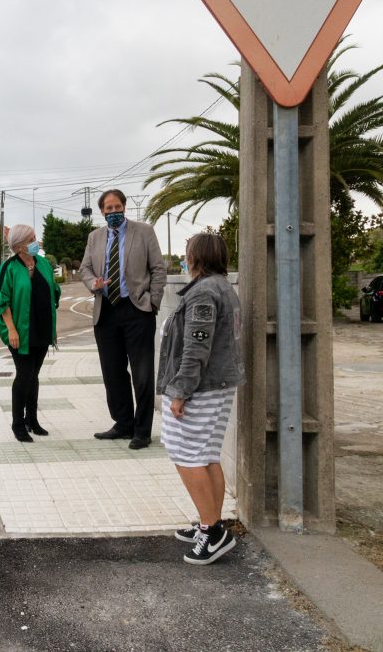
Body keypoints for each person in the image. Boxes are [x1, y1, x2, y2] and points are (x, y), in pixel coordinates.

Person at [157, 233, 245, 565]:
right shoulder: (221, 287)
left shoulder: (205, 292)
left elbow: (196, 347)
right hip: (214, 385)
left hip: (201, 387)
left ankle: (213, 532)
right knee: (206, 455)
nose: (185, 257)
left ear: (197, 257)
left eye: (187, 252)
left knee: (186, 455)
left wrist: (180, 391)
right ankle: (212, 523)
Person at [80, 188, 166, 450]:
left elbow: (158, 269)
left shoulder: (144, 232)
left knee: (141, 374)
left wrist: (152, 302)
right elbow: (85, 268)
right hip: (105, 311)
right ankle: (123, 423)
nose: (113, 212)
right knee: (113, 372)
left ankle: (142, 430)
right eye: (108, 208)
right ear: (102, 211)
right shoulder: (95, 237)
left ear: (125, 207)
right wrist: (92, 282)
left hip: (137, 310)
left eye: (117, 207)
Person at [0, 224, 61, 443]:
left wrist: (52, 327)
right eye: (32, 238)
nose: (37, 241)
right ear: (19, 246)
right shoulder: (9, 268)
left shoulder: (43, 264)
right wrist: (11, 330)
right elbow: (0, 298)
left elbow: (52, 293)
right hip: (20, 332)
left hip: (42, 330)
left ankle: (32, 420)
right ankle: (18, 424)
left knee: (34, 376)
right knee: (24, 375)